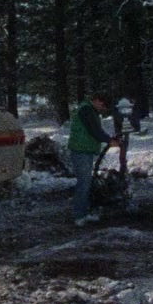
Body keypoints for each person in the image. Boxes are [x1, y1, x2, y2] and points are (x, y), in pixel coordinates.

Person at [67, 93, 119, 226]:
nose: (102, 108)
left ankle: (84, 213)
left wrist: (109, 138)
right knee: (83, 183)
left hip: (85, 150)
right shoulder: (86, 110)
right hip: (80, 150)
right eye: (102, 105)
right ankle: (79, 215)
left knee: (86, 182)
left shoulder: (90, 110)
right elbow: (94, 130)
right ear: (96, 100)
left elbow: (95, 130)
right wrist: (109, 140)